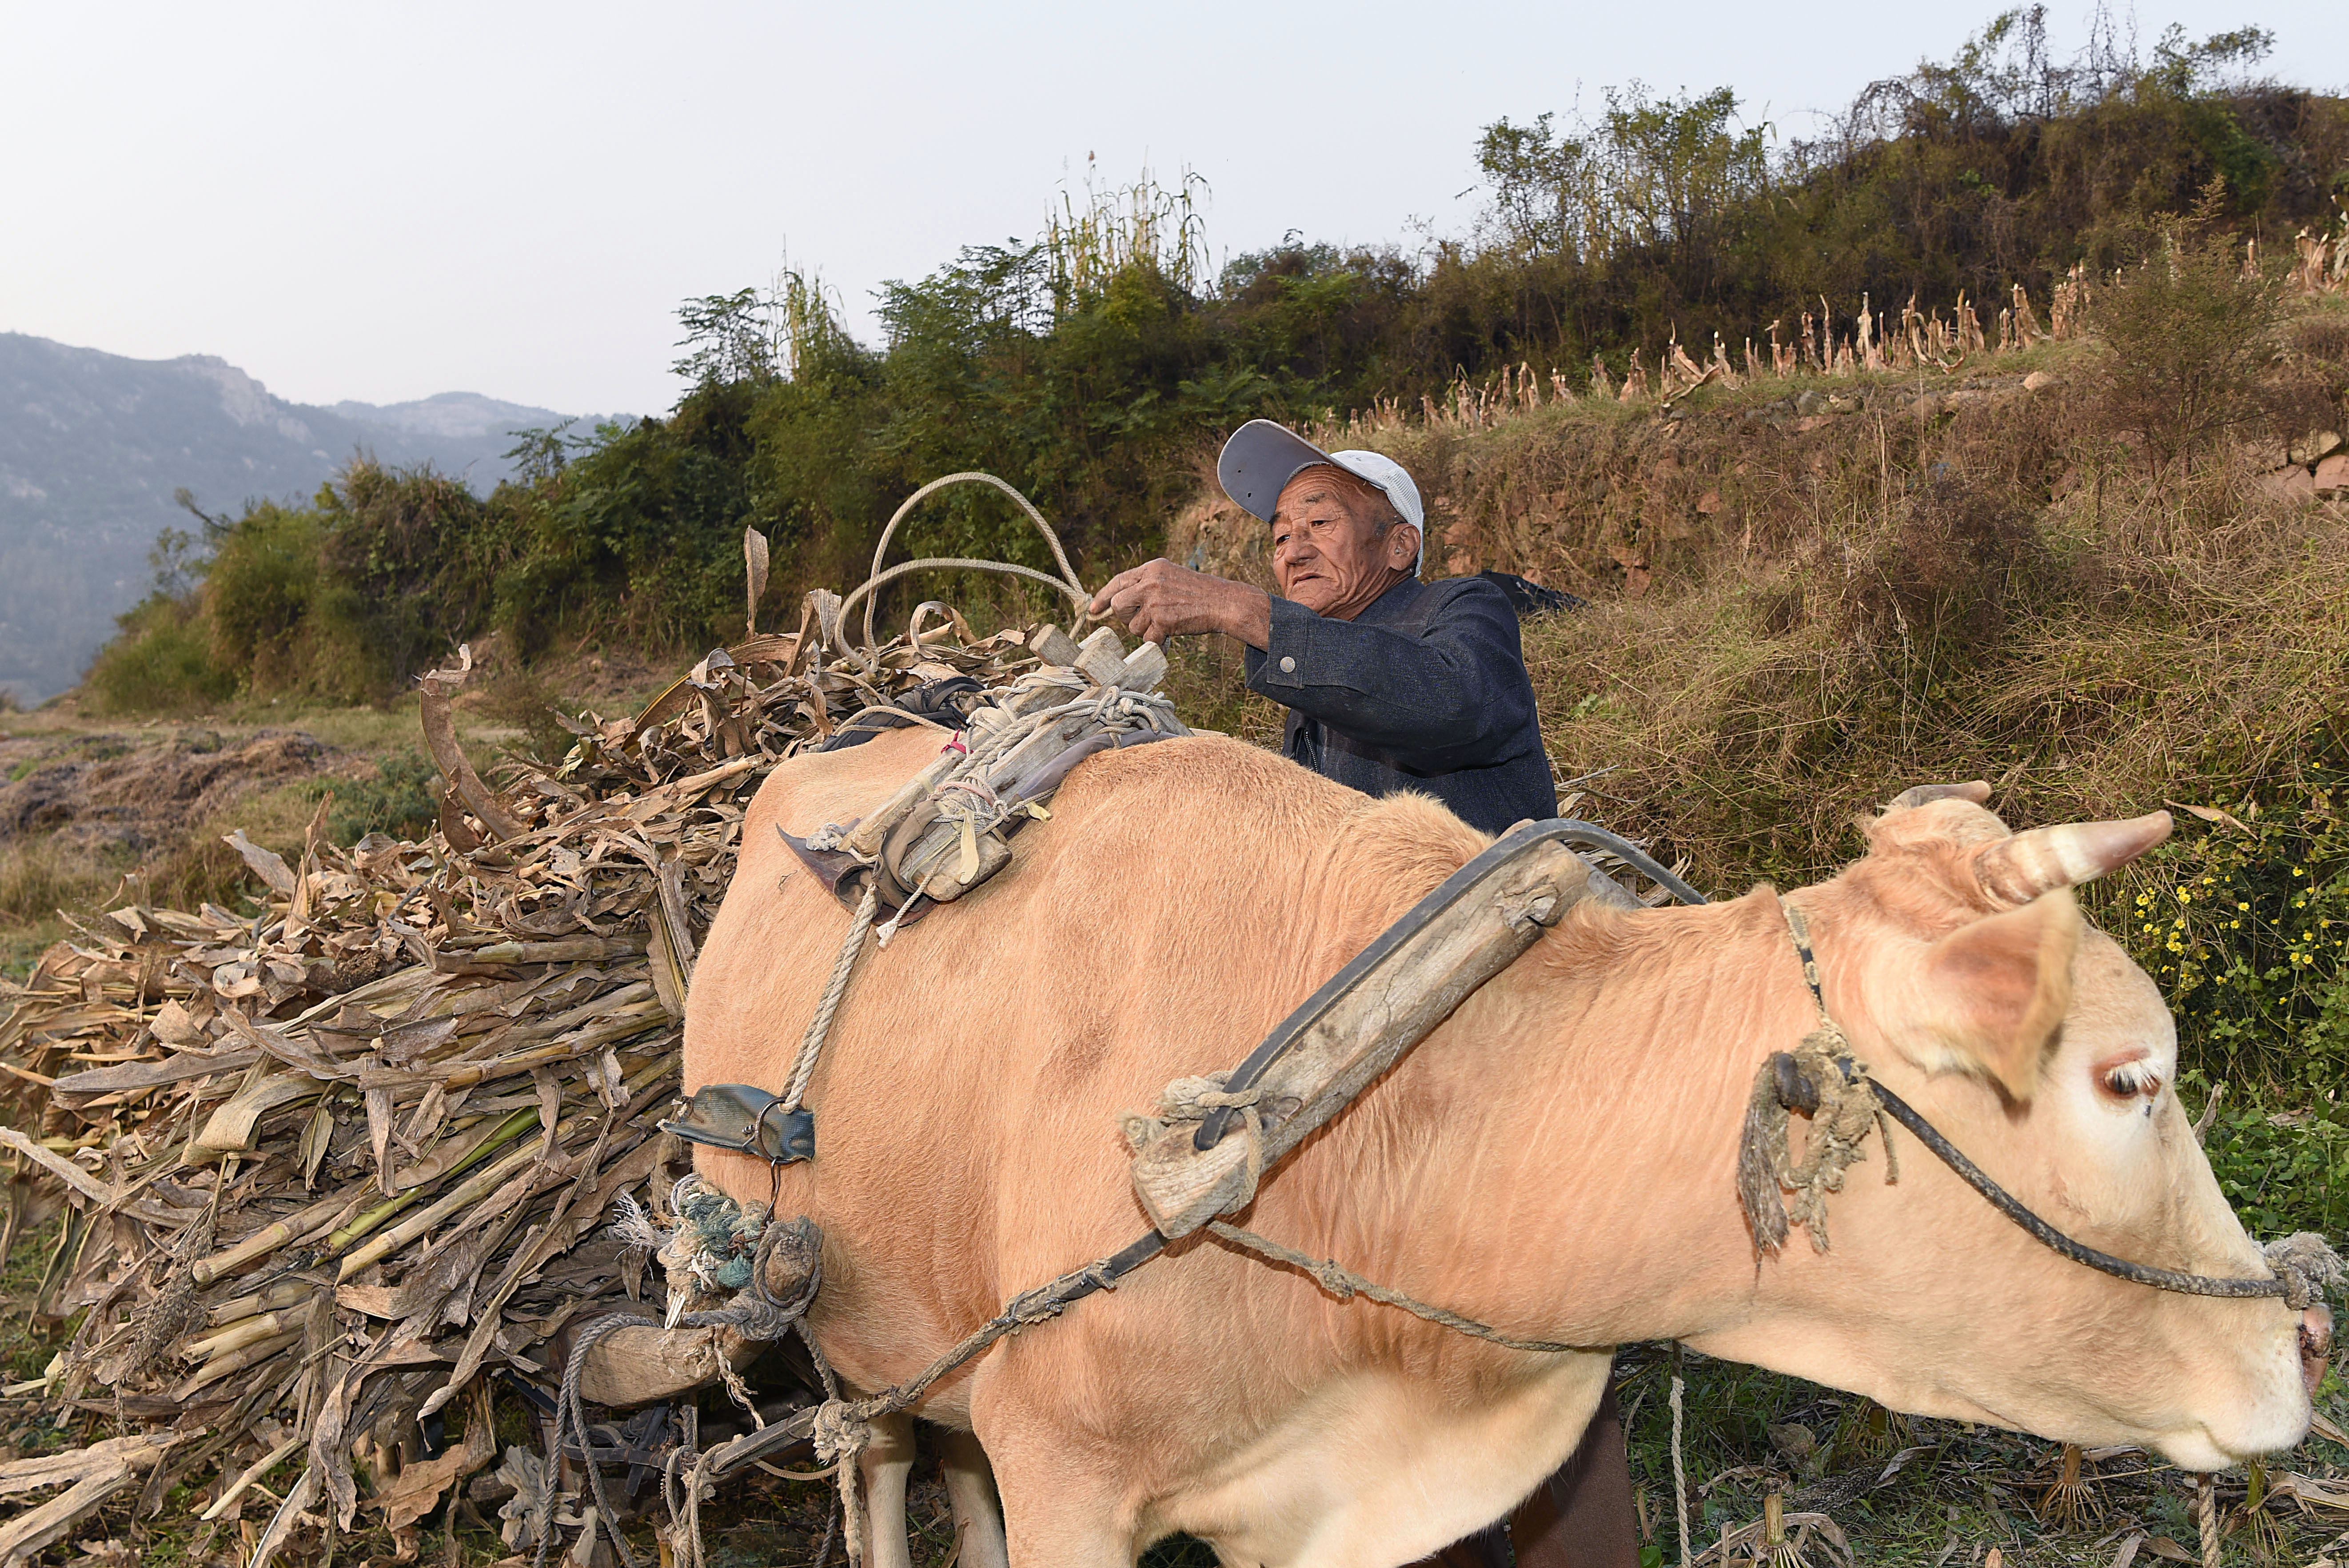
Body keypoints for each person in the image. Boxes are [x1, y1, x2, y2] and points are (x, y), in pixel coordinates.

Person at [1088, 419, 1639, 1568]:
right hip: (1369, 1076)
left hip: (1493, 1048)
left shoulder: (1460, 616)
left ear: (1398, 545)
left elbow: (1455, 706)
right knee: (1380, 1355)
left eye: (1320, 521)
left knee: (1529, 1338)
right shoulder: (1309, 704)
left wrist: (1245, 616)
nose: (1287, 546)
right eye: (1277, 534)